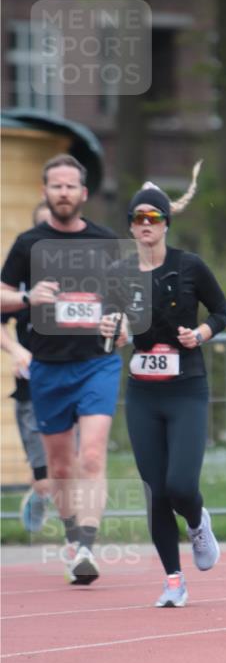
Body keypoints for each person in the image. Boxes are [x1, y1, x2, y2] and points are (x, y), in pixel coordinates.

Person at [100, 163, 226, 608]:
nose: (144, 225)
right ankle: (174, 579)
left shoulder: (190, 266)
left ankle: (197, 521)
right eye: (137, 218)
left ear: (165, 224)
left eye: (152, 218)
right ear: (131, 227)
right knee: (155, 489)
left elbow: (222, 312)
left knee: (179, 484)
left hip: (186, 387)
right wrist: (111, 332)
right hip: (142, 391)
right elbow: (114, 328)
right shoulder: (118, 273)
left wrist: (202, 335)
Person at [1, 156, 121, 584]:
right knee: (61, 468)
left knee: (91, 453)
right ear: (45, 192)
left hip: (96, 363)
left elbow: (126, 302)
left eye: (71, 186)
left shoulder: (105, 241)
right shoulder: (28, 244)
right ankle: (74, 538)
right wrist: (29, 296)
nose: (64, 193)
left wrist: (118, 325)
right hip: (48, 367)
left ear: (84, 194)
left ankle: (86, 545)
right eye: (57, 187)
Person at [0, 202, 53, 532]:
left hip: (72, 384)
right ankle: (40, 493)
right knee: (46, 476)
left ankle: (77, 544)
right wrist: (16, 348)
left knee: (72, 470)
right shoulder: (20, 291)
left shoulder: (81, 278)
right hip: (31, 389)